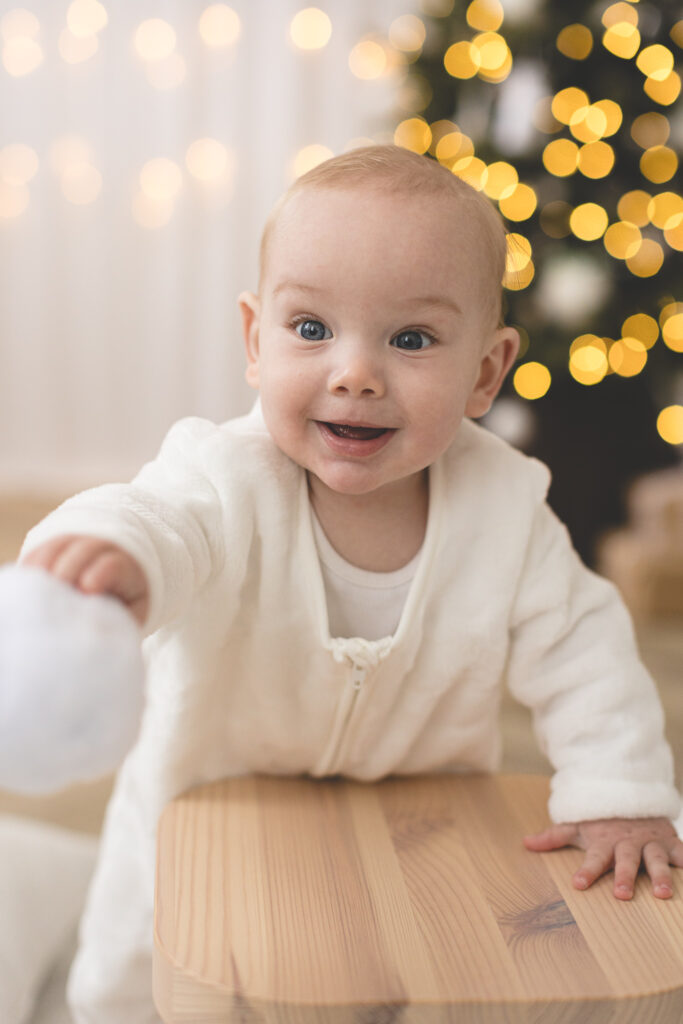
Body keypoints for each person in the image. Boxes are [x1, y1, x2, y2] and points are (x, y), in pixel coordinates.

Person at [20, 145, 682, 1024]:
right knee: (140, 978)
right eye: (311, 329)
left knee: (424, 976)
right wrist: (113, 553)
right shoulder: (224, 477)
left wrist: (620, 794)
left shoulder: (504, 509)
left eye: (411, 339)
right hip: (211, 811)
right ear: (257, 340)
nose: (354, 372)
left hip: (414, 822)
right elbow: (158, 519)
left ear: (485, 372)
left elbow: (585, 647)